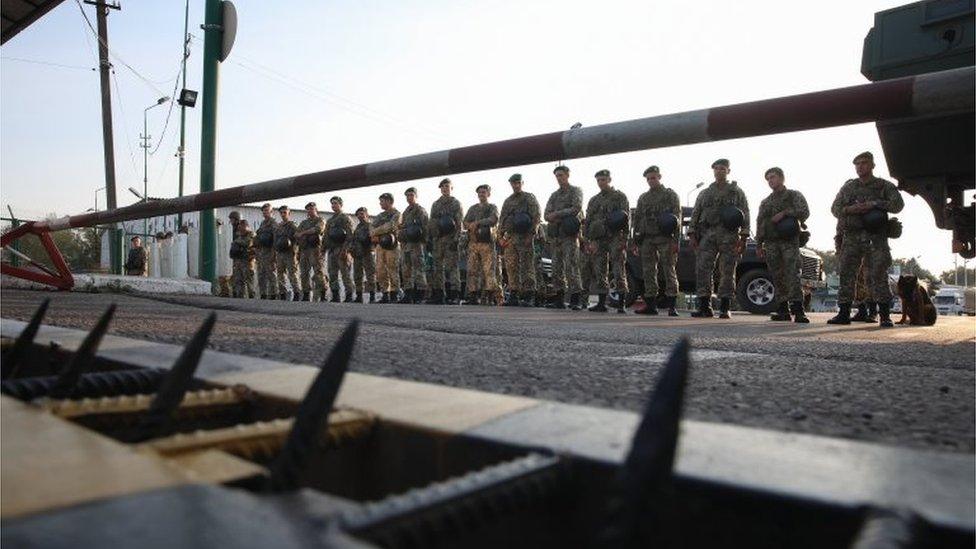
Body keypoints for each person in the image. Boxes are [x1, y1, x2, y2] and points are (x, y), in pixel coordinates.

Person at [828, 151, 904, 327]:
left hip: (876, 237)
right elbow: (835, 208)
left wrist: (875, 204)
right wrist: (851, 209)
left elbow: (898, 205)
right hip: (852, 236)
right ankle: (844, 312)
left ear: (872, 165)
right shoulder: (849, 187)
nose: (860, 167)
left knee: (878, 274)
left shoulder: (883, 186)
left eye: (864, 163)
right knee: (847, 273)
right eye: (857, 164)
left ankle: (884, 315)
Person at [689, 159, 750, 319]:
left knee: (727, 270)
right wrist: (692, 234)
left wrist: (743, 236)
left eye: (722, 168)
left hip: (729, 235)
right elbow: (696, 213)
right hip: (707, 234)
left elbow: (745, 213)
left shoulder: (736, 192)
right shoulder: (705, 193)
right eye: (716, 168)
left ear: (728, 171)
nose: (719, 171)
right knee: (702, 269)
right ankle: (704, 306)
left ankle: (724, 306)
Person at [755, 167, 810, 323]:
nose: (770, 181)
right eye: (768, 179)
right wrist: (759, 244)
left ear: (782, 178)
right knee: (777, 275)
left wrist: (785, 213)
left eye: (773, 177)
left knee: (792, 273)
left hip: (789, 241)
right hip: (771, 243)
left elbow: (804, 211)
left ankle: (798, 309)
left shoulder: (793, 195)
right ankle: (782, 309)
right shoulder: (766, 202)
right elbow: (760, 223)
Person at [632, 166, 681, 316]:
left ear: (659, 177)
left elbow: (676, 218)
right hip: (647, 238)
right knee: (648, 271)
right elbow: (638, 219)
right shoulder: (643, 198)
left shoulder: (670, 195)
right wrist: (636, 241)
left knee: (669, 269)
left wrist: (675, 241)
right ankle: (651, 305)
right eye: (648, 179)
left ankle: (672, 306)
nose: (651, 181)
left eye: (653, 178)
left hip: (665, 238)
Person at [584, 169, 630, 313]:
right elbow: (588, 221)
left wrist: (625, 239)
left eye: (603, 180)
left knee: (618, 270)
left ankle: (621, 303)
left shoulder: (619, 197)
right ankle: (601, 303)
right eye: (598, 180)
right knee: (600, 270)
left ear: (609, 180)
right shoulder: (594, 200)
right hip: (598, 239)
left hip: (615, 237)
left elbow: (626, 218)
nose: (601, 183)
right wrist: (587, 240)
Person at [543, 165, 584, 310]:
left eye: (561, 175)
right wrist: (554, 216)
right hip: (556, 236)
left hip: (569, 236)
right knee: (556, 268)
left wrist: (557, 214)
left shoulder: (575, 191)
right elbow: (546, 214)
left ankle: (576, 299)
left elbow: (576, 207)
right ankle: (559, 299)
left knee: (571, 266)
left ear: (567, 175)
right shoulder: (554, 195)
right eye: (557, 176)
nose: (559, 178)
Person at [499, 173, 541, 306]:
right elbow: (502, 219)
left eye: (518, 183)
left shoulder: (529, 198)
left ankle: (529, 295)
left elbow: (536, 216)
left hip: (525, 236)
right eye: (513, 183)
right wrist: (500, 237)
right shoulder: (508, 201)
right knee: (511, 266)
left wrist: (532, 234)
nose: (515, 185)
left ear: (522, 183)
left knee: (527, 266)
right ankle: (514, 294)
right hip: (511, 237)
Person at [463, 184, 501, 305]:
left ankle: (490, 296)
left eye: (484, 192)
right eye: (479, 192)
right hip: (473, 243)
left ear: (488, 194)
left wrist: (477, 223)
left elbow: (494, 219)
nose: (481, 194)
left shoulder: (492, 207)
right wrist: (470, 225)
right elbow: (465, 222)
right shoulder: (472, 208)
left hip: (486, 243)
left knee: (488, 270)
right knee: (472, 270)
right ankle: (473, 296)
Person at [428, 178, 463, 304]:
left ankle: (455, 294)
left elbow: (459, 223)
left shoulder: (455, 203)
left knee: (452, 267)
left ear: (451, 188)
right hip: (438, 239)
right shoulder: (436, 204)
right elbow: (432, 222)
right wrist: (431, 238)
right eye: (442, 187)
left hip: (450, 238)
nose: (445, 188)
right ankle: (439, 294)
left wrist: (456, 239)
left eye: (447, 186)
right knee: (437, 267)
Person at [398, 187, 429, 304]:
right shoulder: (406, 211)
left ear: (416, 196)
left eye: (411, 195)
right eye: (407, 195)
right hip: (406, 244)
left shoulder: (420, 210)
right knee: (406, 270)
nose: (409, 197)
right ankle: (408, 294)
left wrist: (424, 242)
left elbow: (426, 227)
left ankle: (420, 294)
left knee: (419, 270)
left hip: (417, 244)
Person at [371, 192, 401, 304]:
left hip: (392, 245)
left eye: (382, 201)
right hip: (380, 245)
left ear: (389, 201)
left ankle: (395, 293)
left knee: (392, 268)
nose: (380, 203)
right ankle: (385, 293)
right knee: (380, 269)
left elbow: (391, 225)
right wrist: (376, 231)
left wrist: (376, 231)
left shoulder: (396, 214)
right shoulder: (380, 216)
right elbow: (371, 228)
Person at [295, 202, 328, 302]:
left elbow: (318, 229)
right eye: (308, 209)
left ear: (316, 209)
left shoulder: (320, 220)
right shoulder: (304, 222)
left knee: (318, 272)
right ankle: (306, 294)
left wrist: (304, 233)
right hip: (304, 249)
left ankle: (323, 294)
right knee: (304, 272)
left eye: (312, 209)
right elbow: (296, 234)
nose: (310, 211)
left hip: (316, 249)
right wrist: (303, 234)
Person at [324, 196, 354, 303]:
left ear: (341, 204)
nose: (333, 205)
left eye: (335, 203)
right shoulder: (330, 220)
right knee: (332, 274)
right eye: (332, 203)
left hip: (342, 248)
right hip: (332, 250)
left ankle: (349, 295)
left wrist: (345, 250)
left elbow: (350, 235)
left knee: (345, 273)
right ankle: (335, 295)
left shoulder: (345, 218)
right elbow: (326, 236)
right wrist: (323, 250)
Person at [273, 205, 300, 301]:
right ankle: (282, 293)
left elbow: (298, 237)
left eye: (285, 212)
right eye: (281, 213)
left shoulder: (292, 225)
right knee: (280, 274)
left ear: (289, 213)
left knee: (292, 273)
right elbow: (275, 241)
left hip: (290, 253)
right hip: (280, 253)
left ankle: (297, 293)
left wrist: (295, 250)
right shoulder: (278, 226)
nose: (283, 214)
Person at [351, 206, 377, 303]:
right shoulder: (358, 227)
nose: (360, 216)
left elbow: (373, 238)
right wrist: (351, 249)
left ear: (366, 214)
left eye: (362, 214)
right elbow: (354, 240)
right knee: (357, 275)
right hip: (358, 254)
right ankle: (359, 295)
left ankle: (372, 296)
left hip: (367, 253)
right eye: (358, 214)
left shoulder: (370, 225)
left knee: (370, 275)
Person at [254, 203, 279, 299]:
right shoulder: (263, 223)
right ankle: (263, 294)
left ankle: (274, 294)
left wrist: (274, 254)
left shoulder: (273, 224)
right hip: (261, 253)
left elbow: (275, 239)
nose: (265, 213)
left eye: (267, 211)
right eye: (263, 211)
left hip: (270, 252)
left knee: (271, 274)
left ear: (271, 212)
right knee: (261, 274)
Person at [229, 216, 256, 299]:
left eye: (242, 227)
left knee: (249, 281)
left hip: (248, 261)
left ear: (247, 226)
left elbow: (247, 243)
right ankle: (240, 298)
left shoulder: (251, 234)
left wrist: (236, 242)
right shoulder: (240, 235)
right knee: (239, 281)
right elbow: (235, 244)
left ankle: (252, 298)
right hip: (239, 260)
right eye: (239, 228)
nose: (240, 229)